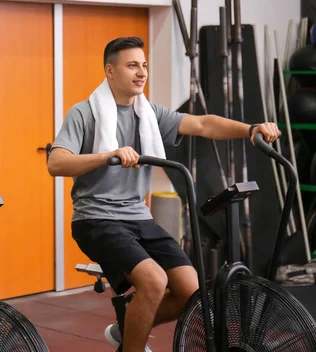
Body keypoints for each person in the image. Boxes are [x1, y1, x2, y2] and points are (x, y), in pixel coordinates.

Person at [47, 36, 280, 352]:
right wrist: (107, 155)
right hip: (97, 219)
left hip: (138, 217)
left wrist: (250, 130)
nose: (141, 72)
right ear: (110, 71)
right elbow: (56, 162)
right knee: (154, 281)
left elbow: (202, 124)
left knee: (191, 291)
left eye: (143, 65)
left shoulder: (150, 114)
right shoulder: (85, 113)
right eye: (132, 65)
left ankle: (126, 329)